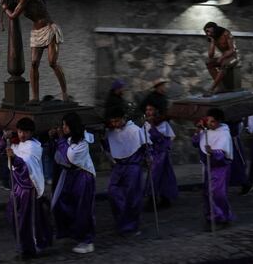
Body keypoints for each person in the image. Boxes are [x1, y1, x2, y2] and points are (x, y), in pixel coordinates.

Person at [0, 0, 68, 103]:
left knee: (52, 63)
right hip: (36, 32)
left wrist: (3, 6)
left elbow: (13, 16)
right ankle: (35, 97)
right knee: (34, 63)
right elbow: (12, 8)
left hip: (49, 28)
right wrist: (5, 1)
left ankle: (64, 92)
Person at [0, 117, 52, 257]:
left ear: (31, 133)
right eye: (20, 131)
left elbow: (27, 165)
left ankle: (33, 245)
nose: (22, 135)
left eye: (25, 132)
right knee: (15, 217)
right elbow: (1, 150)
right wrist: (4, 138)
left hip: (28, 188)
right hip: (17, 188)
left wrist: (14, 158)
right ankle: (24, 244)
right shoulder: (17, 144)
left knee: (28, 220)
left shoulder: (34, 147)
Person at [51, 112, 96, 254]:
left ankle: (87, 241)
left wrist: (60, 139)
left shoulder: (82, 142)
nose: (63, 128)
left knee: (83, 208)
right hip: (71, 176)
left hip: (83, 177)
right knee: (62, 203)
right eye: (62, 125)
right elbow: (58, 155)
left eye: (65, 125)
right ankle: (71, 232)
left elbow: (69, 156)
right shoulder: (69, 138)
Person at [104, 107, 150, 236]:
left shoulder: (134, 130)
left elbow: (145, 145)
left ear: (124, 118)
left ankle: (131, 225)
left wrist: (148, 157)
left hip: (133, 167)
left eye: (117, 121)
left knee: (132, 197)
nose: (115, 124)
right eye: (112, 122)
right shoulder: (111, 132)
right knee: (113, 191)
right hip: (118, 167)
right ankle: (121, 220)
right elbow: (109, 147)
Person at [192, 108, 234, 230]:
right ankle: (211, 216)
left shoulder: (224, 133)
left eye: (213, 121)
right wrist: (198, 131)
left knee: (218, 194)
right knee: (207, 193)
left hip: (220, 169)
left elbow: (222, 154)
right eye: (208, 121)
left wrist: (213, 152)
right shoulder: (206, 131)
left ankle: (222, 217)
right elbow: (195, 143)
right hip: (208, 167)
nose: (210, 124)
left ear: (219, 121)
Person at [143, 104, 178, 209]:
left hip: (161, 154)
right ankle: (153, 199)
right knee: (153, 176)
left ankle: (163, 199)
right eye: (147, 110)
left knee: (161, 176)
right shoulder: (146, 124)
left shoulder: (163, 124)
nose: (148, 112)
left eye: (150, 109)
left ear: (155, 111)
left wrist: (163, 147)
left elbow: (170, 137)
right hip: (152, 153)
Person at [203, 22, 239, 93]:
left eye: (209, 31)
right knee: (209, 63)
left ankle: (212, 88)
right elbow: (210, 55)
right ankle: (221, 87)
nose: (208, 33)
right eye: (206, 32)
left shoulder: (226, 33)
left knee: (224, 63)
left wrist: (222, 57)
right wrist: (212, 42)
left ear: (214, 29)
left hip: (233, 58)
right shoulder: (213, 37)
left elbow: (232, 50)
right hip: (224, 58)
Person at [228, 121, 253, 196]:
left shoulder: (234, 118)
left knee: (237, 164)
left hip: (232, 142)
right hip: (228, 141)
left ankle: (246, 184)